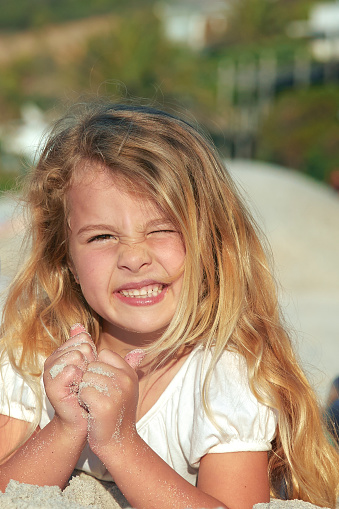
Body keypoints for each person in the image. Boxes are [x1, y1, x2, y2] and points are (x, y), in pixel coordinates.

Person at [0, 102, 338, 509]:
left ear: (211, 243)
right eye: (102, 237)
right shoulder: (37, 354)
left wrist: (120, 442)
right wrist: (65, 425)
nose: (134, 256)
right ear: (66, 258)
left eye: (161, 229)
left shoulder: (223, 377)